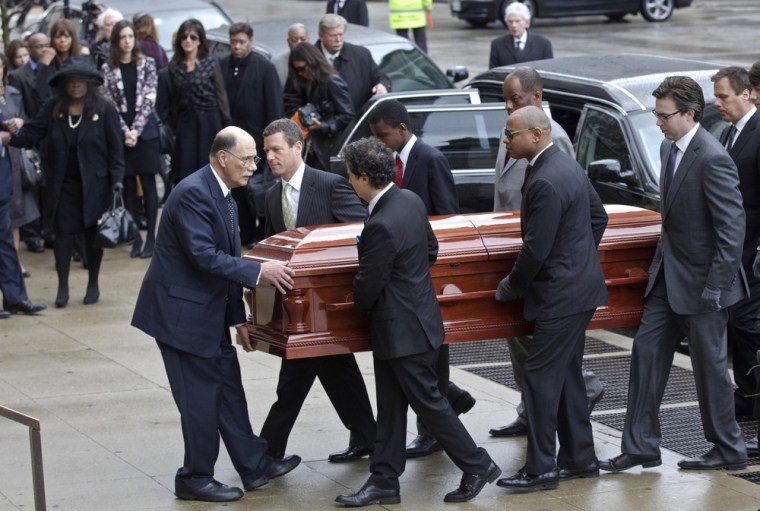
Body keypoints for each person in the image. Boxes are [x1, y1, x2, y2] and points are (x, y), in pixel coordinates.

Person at [131, 126, 301, 503]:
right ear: (222, 158)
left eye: (256, 158)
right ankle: (194, 477)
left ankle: (254, 465)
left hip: (207, 314)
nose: (255, 167)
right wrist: (259, 272)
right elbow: (205, 257)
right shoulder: (193, 193)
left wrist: (236, 319)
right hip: (180, 318)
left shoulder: (223, 194)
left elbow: (218, 262)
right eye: (248, 159)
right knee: (200, 400)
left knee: (227, 389)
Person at [336, 136, 500, 506]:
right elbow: (430, 249)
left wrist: (369, 302)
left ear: (364, 177)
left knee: (429, 404)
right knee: (392, 407)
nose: (348, 181)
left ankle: (477, 464)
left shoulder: (380, 223)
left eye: (349, 175)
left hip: (401, 330)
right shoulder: (408, 200)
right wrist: (408, 284)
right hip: (418, 321)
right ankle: (384, 480)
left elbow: (368, 283)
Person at [600, 76, 749, 473]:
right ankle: (641, 446)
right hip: (667, 281)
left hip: (704, 289)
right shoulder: (669, 148)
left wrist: (715, 288)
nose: (659, 123)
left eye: (664, 116)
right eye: (656, 114)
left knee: (710, 372)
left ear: (690, 114)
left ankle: (728, 449)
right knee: (645, 355)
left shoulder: (713, 157)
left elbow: (732, 229)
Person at [494, 105, 607, 491]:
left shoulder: (544, 178)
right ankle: (579, 459)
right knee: (569, 377)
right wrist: (578, 258)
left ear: (536, 135)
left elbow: (535, 250)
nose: (506, 141)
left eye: (511, 134)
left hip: (560, 294)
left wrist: (511, 286)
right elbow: (598, 218)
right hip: (580, 289)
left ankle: (540, 469)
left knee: (540, 378)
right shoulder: (565, 165)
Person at [256, 119, 377, 463]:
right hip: (298, 309)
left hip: (330, 303)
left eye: (276, 149)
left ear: (298, 147)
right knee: (336, 371)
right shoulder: (269, 195)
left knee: (295, 380)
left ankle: (266, 454)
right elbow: (271, 247)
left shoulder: (329, 185)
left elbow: (360, 235)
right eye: (266, 151)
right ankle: (369, 436)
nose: (270, 157)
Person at [368, 99, 475, 458]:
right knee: (422, 369)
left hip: (423, 277)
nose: (380, 143)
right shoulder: (393, 164)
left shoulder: (429, 159)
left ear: (402, 129)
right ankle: (449, 404)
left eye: (384, 135)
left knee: (427, 364)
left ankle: (436, 428)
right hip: (410, 275)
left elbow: (447, 218)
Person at [4, 57, 124, 308]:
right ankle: (62, 287)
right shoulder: (53, 108)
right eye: (72, 80)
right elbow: (32, 134)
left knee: (93, 236)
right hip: (63, 185)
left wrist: (117, 181)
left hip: (96, 185)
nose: (76, 85)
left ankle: (93, 283)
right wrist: (9, 136)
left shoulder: (104, 109)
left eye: (81, 80)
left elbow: (116, 151)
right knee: (63, 236)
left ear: (90, 83)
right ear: (64, 83)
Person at [219, 22, 283, 246]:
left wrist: (272, 144)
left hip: (257, 141)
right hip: (231, 142)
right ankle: (244, 230)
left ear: (250, 42)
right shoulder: (223, 65)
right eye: (233, 42)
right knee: (236, 189)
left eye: (241, 42)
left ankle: (261, 230)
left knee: (259, 189)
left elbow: (274, 108)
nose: (237, 47)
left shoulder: (264, 67)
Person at [102, 20, 161, 259]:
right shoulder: (108, 68)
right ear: (116, 41)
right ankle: (134, 236)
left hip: (145, 133)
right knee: (127, 185)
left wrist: (135, 130)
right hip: (121, 133)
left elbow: (149, 98)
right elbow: (109, 103)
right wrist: (125, 130)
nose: (127, 41)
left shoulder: (147, 63)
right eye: (122, 37)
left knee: (148, 184)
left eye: (130, 36)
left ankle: (152, 239)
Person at [165, 19, 230, 186]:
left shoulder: (210, 62)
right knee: (186, 170)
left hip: (209, 121)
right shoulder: (174, 66)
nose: (188, 41)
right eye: (184, 37)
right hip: (185, 123)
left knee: (210, 168)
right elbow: (173, 99)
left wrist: (227, 122)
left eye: (193, 37)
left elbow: (220, 93)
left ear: (200, 40)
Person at [0, 83, 46, 318]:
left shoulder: (5, 96)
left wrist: (15, 125)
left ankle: (15, 298)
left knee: (6, 244)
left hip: (3, 181)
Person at [283, 42, 354, 172]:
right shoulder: (311, 82)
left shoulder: (332, 81)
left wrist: (323, 126)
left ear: (313, 62)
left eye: (302, 68)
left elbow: (348, 116)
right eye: (297, 70)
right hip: (316, 147)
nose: (300, 73)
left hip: (332, 148)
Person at [8, 33, 49, 256]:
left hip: (44, 135)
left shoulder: (50, 67)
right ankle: (32, 235)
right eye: (37, 46)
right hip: (28, 136)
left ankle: (45, 230)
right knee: (28, 186)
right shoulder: (18, 77)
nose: (43, 49)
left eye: (46, 45)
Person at [0, 53, 39, 279]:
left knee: (12, 219)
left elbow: (25, 120)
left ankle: (15, 274)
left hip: (12, 161)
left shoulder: (11, 93)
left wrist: (20, 123)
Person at [315, 14, 390, 113]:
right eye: (333, 36)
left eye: (341, 35)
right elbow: (293, 97)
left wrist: (382, 85)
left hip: (357, 121)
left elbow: (381, 77)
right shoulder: (308, 59)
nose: (338, 40)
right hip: (320, 124)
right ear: (321, 36)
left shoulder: (361, 55)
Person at [489, 2, 552, 69]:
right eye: (510, 21)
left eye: (517, 21)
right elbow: (493, 74)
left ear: (527, 23)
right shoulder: (497, 45)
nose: (514, 25)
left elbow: (549, 72)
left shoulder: (543, 45)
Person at [35, 19, 82, 106]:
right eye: (58, 37)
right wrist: (45, 64)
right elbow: (40, 91)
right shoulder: (47, 62)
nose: (62, 41)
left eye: (67, 37)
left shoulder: (81, 59)